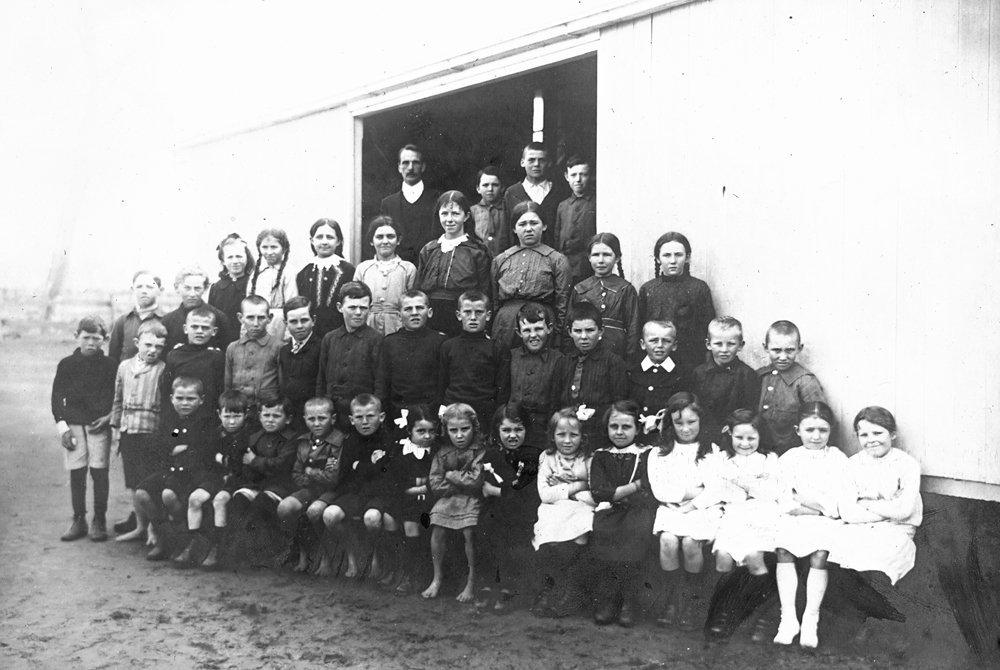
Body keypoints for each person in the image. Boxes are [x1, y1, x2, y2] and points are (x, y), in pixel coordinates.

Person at [647, 392, 732, 631]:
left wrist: (692, 500)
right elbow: (660, 491)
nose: (685, 429)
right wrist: (695, 490)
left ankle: (693, 601)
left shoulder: (713, 451)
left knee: (691, 544)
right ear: (670, 424)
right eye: (679, 423)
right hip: (671, 509)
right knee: (667, 541)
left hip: (705, 509)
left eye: (691, 422)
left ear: (701, 421)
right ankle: (673, 599)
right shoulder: (659, 453)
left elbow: (716, 488)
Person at [772, 401, 849, 648]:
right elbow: (784, 499)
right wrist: (816, 506)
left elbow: (838, 502)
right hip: (797, 518)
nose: (816, 436)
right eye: (809, 430)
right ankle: (789, 618)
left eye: (823, 430)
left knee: (820, 553)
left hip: (826, 522)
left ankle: (810, 618)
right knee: (783, 548)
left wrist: (805, 500)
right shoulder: (789, 458)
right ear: (797, 430)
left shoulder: (838, 459)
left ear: (831, 431)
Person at [707, 409, 782, 638]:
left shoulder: (769, 459)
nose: (745, 443)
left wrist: (741, 483)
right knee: (723, 557)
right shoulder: (721, 458)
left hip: (762, 515)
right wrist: (751, 487)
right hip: (733, 514)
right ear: (730, 435)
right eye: (739, 437)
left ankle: (755, 613)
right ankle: (722, 611)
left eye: (751, 438)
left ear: (760, 437)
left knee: (754, 557)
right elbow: (720, 490)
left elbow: (771, 492)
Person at [832, 406, 922, 585]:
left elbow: (904, 511)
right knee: (841, 549)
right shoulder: (851, 465)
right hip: (859, 525)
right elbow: (848, 513)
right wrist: (890, 505)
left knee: (883, 555)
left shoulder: (906, 464)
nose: (871, 440)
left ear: (892, 434)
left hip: (897, 527)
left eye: (878, 433)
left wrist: (865, 503)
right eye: (864, 435)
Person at [587, 400, 656, 627]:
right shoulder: (601, 455)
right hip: (609, 511)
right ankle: (608, 600)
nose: (619, 432)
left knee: (635, 534)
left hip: (637, 511)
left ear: (637, 428)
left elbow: (649, 488)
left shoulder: (646, 455)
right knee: (604, 534)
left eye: (626, 427)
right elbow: (599, 491)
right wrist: (633, 487)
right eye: (614, 426)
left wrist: (618, 494)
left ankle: (629, 601)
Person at [50, 316, 118, 542]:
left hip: (99, 425)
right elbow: (57, 397)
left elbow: (117, 397)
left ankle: (99, 519)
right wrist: (63, 428)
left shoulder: (111, 365)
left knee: (99, 472)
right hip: (74, 425)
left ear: (105, 339)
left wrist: (109, 418)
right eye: (86, 337)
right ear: (76, 336)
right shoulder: (67, 364)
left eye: (96, 338)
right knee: (77, 472)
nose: (90, 343)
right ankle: (79, 519)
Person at [134, 377, 217, 561]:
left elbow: (202, 450)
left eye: (190, 399)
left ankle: (183, 536)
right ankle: (163, 533)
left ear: (201, 400)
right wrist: (174, 448)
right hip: (170, 469)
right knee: (141, 493)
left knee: (169, 495)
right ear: (171, 398)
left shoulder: (206, 421)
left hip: (195, 473)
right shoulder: (169, 418)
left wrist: (176, 448)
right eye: (180, 398)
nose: (184, 403)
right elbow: (161, 444)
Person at [319, 394, 398, 582]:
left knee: (372, 519)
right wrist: (370, 466)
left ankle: (376, 558)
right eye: (359, 417)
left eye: (370, 416)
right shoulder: (350, 441)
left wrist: (359, 467)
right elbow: (347, 474)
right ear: (351, 419)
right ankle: (352, 555)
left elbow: (387, 475)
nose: (364, 422)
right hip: (355, 493)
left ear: (382, 417)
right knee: (330, 515)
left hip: (379, 494)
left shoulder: (388, 441)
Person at [173, 389, 252, 568]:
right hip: (216, 477)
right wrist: (220, 462)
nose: (231, 422)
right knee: (195, 499)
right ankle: (194, 545)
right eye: (227, 416)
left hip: (236, 480)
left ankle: (217, 547)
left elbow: (240, 465)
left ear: (245, 415)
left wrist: (222, 459)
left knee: (220, 500)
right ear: (219, 414)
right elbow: (206, 458)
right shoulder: (214, 434)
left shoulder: (248, 436)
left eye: (237, 416)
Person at [476, 402, 541, 614]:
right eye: (506, 430)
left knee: (511, 534)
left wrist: (499, 491)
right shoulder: (492, 455)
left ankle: (507, 587)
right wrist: (504, 492)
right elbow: (485, 487)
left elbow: (527, 494)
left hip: (522, 514)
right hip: (496, 510)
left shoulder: (531, 457)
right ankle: (487, 583)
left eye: (518, 430)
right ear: (497, 431)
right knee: (487, 527)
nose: (512, 435)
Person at [531, 408, 595, 619]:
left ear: (582, 437)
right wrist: (578, 486)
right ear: (552, 436)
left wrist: (569, 488)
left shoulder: (588, 459)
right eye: (561, 435)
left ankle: (568, 589)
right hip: (554, 508)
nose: (567, 441)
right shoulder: (547, 457)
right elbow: (545, 494)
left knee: (581, 531)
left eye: (573, 435)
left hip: (581, 506)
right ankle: (550, 589)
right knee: (550, 531)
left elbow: (594, 493)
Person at [422, 403, 487, 602]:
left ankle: (471, 580)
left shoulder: (479, 451)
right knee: (437, 529)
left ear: (474, 428)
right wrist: (459, 482)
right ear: (446, 430)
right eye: (453, 430)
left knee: (469, 531)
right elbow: (435, 483)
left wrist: (451, 475)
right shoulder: (443, 453)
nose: (459, 436)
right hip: (449, 498)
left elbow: (476, 481)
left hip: (472, 499)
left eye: (465, 429)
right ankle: (437, 577)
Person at [275, 396, 348, 573]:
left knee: (314, 511)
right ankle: (303, 550)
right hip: (310, 490)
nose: (316, 423)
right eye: (311, 419)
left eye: (322, 418)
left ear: (333, 419)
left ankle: (325, 556)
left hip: (332, 492)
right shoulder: (304, 441)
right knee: (284, 508)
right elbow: (296, 474)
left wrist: (310, 472)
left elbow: (332, 478)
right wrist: (313, 476)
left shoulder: (338, 441)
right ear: (305, 419)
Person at [110, 320, 168, 541]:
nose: (153, 350)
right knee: (133, 482)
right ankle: (141, 526)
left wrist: (165, 437)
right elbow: (117, 399)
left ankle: (155, 529)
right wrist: (117, 428)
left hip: (151, 434)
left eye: (159, 347)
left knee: (148, 484)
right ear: (137, 343)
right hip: (128, 432)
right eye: (148, 345)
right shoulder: (124, 367)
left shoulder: (163, 369)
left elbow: (166, 406)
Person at [491, 201, 571, 349]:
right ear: (514, 228)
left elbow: (562, 303)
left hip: (541, 323)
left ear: (544, 226)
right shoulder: (501, 260)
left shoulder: (557, 260)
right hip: (506, 325)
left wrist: (558, 335)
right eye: (522, 224)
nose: (528, 229)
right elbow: (495, 300)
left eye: (534, 223)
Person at [417, 191, 493, 337]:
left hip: (464, 319)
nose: (449, 219)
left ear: (466, 216)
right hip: (432, 320)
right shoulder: (429, 250)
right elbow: (419, 289)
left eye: (455, 214)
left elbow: (485, 292)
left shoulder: (478, 252)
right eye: (444, 214)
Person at [637, 232, 716, 372]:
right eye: (666, 255)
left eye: (678, 255)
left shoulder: (699, 288)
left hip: (690, 360)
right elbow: (639, 328)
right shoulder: (648, 289)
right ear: (657, 259)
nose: (673, 261)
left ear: (687, 257)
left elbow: (707, 328)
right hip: (656, 359)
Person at [315, 282, 383, 431]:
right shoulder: (330, 338)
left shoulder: (376, 339)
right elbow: (321, 378)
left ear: (370, 309)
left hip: (361, 416)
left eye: (363, 308)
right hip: (333, 415)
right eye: (352, 307)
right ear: (340, 307)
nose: (358, 312)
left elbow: (380, 382)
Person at [559, 302, 629, 444]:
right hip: (567, 435)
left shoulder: (613, 362)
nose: (584, 337)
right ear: (569, 332)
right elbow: (555, 402)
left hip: (598, 434)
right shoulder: (564, 362)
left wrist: (596, 413)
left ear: (601, 331)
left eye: (590, 330)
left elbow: (619, 404)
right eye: (578, 331)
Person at [439, 290, 510, 429]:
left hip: (485, 413)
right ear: (459, 315)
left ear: (488, 315)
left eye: (479, 312)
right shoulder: (448, 346)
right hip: (454, 411)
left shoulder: (497, 347)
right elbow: (442, 383)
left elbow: (503, 390)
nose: (473, 317)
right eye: (467, 312)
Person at [375, 290, 447, 422]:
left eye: (419, 308)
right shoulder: (389, 342)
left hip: (430, 412)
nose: (414, 313)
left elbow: (444, 382)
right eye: (408, 309)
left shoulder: (440, 341)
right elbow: (382, 381)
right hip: (398, 411)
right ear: (399, 315)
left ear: (429, 312)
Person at [756, 320, 826, 455]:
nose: (783, 357)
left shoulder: (805, 381)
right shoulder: (760, 376)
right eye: (776, 350)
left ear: (799, 348)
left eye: (789, 350)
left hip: (792, 453)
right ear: (765, 348)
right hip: (759, 450)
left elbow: (821, 419)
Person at [390, 404, 438, 596]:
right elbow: (397, 483)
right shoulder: (403, 453)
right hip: (408, 502)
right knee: (407, 522)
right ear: (409, 431)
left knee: (425, 521)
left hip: (431, 501)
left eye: (431, 431)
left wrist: (419, 488)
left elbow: (437, 482)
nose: (427, 436)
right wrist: (415, 489)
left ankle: (425, 573)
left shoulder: (437, 453)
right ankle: (408, 572)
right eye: (421, 431)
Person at [691, 316, 761, 446]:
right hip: (703, 436)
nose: (724, 349)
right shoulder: (699, 373)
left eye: (731, 344)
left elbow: (749, 411)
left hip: (734, 438)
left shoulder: (747, 375)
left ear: (740, 345)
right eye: (718, 344)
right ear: (708, 344)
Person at [569, 233, 638, 361]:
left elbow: (633, 328)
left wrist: (630, 359)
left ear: (617, 258)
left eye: (606, 255)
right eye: (595, 255)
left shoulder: (625, 289)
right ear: (589, 257)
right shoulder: (580, 289)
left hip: (616, 349)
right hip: (585, 350)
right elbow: (570, 323)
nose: (601, 260)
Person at [508, 302, 567, 449]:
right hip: (513, 430)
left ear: (549, 328)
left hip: (543, 432)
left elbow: (556, 401)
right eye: (527, 330)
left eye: (539, 329)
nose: (533, 335)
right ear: (518, 332)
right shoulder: (511, 357)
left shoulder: (558, 359)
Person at [378, 144, 441, 265]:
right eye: (405, 163)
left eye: (415, 163)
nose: (410, 168)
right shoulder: (388, 203)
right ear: (399, 167)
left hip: (430, 267)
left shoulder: (437, 200)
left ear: (423, 167)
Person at [354, 216, 416, 335]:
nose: (385, 241)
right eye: (379, 237)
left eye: (391, 236)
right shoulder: (363, 268)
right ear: (371, 241)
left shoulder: (408, 269)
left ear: (398, 240)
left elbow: (412, 301)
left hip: (398, 326)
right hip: (368, 325)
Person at [502, 142, 570, 250]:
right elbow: (505, 232)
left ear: (549, 163)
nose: (536, 164)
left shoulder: (560, 192)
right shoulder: (512, 193)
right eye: (531, 160)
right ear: (522, 162)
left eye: (541, 160)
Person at [295, 219, 356, 339]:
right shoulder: (304, 273)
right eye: (319, 237)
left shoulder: (348, 270)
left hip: (341, 332)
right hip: (311, 333)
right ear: (312, 241)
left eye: (330, 237)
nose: (324, 242)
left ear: (338, 241)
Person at [627, 320, 690, 437]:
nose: (660, 345)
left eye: (666, 341)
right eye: (653, 340)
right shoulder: (632, 370)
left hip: (666, 434)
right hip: (636, 432)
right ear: (643, 344)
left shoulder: (680, 373)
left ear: (674, 345)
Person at [162, 307, 226, 418]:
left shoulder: (217, 356)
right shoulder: (174, 355)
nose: (200, 331)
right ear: (185, 329)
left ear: (214, 331)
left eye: (205, 328)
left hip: (207, 417)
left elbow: (219, 389)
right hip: (178, 416)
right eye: (195, 327)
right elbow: (166, 389)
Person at [225, 295, 282, 410]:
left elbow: (282, 386)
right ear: (240, 318)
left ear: (269, 318)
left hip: (267, 411)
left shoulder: (278, 347)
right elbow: (227, 386)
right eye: (250, 318)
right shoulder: (233, 348)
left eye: (261, 318)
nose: (255, 324)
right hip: (239, 412)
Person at [161, 267, 235, 353]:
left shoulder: (219, 317)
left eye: (197, 288)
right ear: (177, 288)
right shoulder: (168, 321)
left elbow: (227, 351)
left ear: (205, 289)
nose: (192, 294)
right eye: (187, 288)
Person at [278, 297, 322, 428]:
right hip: (290, 416)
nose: (299, 326)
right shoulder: (284, 350)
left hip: (312, 416)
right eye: (293, 322)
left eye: (304, 320)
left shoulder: (321, 347)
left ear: (313, 320)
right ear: (286, 323)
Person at [247, 228, 297, 340]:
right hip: (257, 325)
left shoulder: (288, 272)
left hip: (279, 326)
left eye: (274, 247)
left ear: (284, 249)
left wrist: (288, 335)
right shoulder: (256, 273)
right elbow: (248, 303)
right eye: (264, 247)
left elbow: (292, 306)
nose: (269, 252)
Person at [554, 156, 597, 286]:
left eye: (583, 174)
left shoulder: (596, 203)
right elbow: (557, 238)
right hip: (566, 268)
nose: (578, 179)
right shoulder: (563, 206)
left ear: (591, 176)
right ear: (566, 176)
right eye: (573, 175)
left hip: (588, 268)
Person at [108, 270, 165, 363]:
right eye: (139, 287)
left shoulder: (168, 321)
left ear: (160, 290)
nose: (144, 291)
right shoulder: (122, 321)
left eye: (150, 287)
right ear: (132, 289)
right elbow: (113, 358)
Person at [208, 233, 254, 330]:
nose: (235, 261)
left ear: (247, 258)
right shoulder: (216, 288)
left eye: (239, 256)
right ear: (223, 261)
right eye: (230, 257)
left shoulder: (253, 284)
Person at [470, 166, 506, 257]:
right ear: (478, 189)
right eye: (485, 185)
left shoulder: (507, 210)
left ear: (502, 188)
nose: (490, 189)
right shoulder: (472, 212)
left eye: (495, 185)